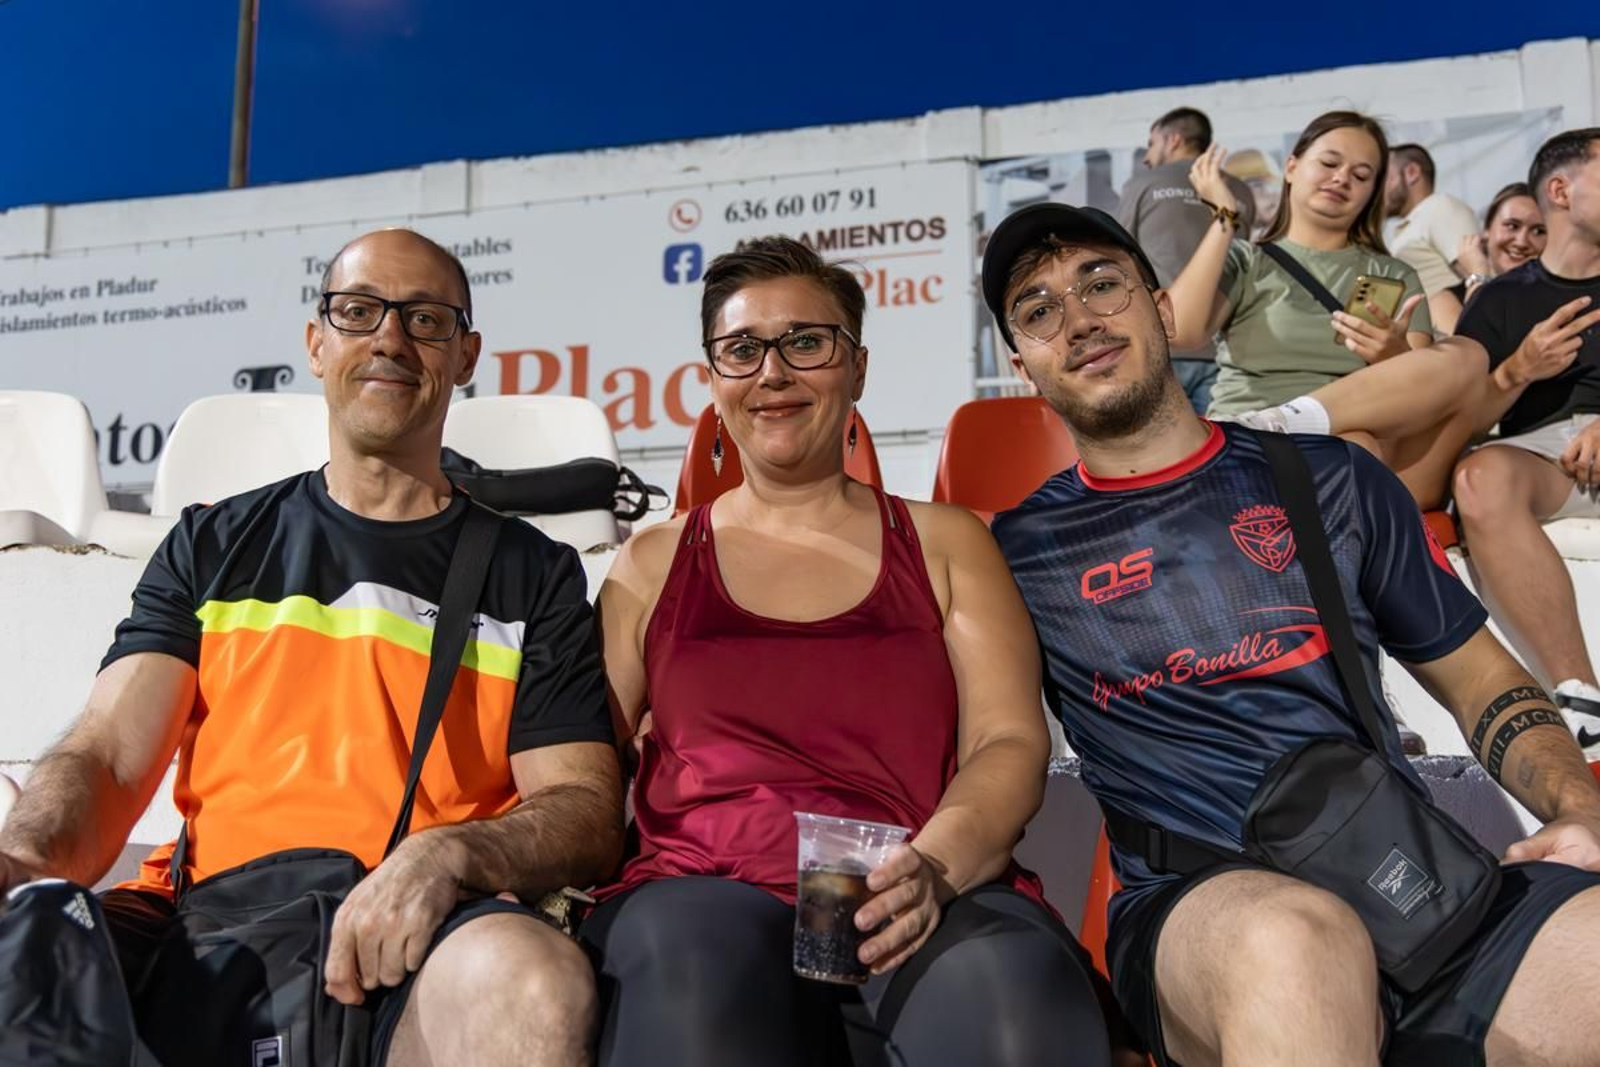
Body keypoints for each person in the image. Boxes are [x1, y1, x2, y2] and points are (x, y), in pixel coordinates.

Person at [982, 200, 1600, 1066]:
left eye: (1101, 284)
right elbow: (989, 755)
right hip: (1200, 905)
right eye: (1039, 309)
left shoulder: (1333, 478)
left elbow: (1484, 683)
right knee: (1298, 940)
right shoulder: (1013, 553)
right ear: (1024, 367)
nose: (1078, 318)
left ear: (1163, 311)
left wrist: (1581, 810)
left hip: (1407, 881)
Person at [0, 228, 624, 1066]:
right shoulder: (211, 543)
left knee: (531, 980)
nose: (390, 339)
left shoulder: (533, 573)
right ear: (317, 341)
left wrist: (453, 851)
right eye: (359, 311)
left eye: (426, 319)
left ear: (467, 354)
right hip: (211, 920)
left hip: (426, 927)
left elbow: (582, 805)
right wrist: (26, 854)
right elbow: (110, 753)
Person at [585, 236, 1111, 1067]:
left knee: (1011, 997)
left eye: (806, 341)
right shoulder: (652, 561)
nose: (773, 372)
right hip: (703, 890)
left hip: (917, 885)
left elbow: (1005, 740)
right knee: (692, 970)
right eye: (742, 349)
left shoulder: (946, 542)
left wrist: (933, 867)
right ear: (714, 379)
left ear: (857, 368)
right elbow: (587, 762)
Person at [1168, 110, 1488, 510]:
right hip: (1254, 443)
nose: (1341, 179)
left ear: (1372, 192)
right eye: (1330, 163)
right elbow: (1180, 329)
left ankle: (1297, 421)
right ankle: (1284, 431)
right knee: (1353, 451)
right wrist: (1225, 218)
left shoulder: (1393, 273)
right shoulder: (1247, 261)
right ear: (1291, 167)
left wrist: (1393, 356)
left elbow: (1426, 395)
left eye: (1361, 175)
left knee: (1468, 355)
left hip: (1364, 447)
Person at [1453, 129, 1600, 758]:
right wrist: (1518, 369)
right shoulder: (1500, 301)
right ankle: (1583, 700)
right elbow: (1461, 419)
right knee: (1480, 476)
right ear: (1561, 190)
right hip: (1545, 460)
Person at [1116, 107, 1256, 414]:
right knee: (1220, 452)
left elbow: (1117, 256)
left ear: (1174, 140)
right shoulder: (1241, 192)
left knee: (1163, 456)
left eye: (1152, 143)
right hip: (1224, 354)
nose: (1146, 156)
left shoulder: (1143, 184)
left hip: (1161, 347)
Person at [1383, 143, 1483, 334]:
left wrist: (1471, 340)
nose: (1375, 189)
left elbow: (1473, 271)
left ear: (1411, 172)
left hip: (1451, 341)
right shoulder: (1413, 223)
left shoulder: (1439, 207)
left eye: (1384, 178)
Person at [1436, 182, 1548, 328]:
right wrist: (1477, 275)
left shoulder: (1554, 297)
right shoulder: (1446, 302)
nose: (1521, 242)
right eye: (1512, 226)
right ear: (1487, 229)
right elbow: (1476, 344)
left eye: (1538, 231)